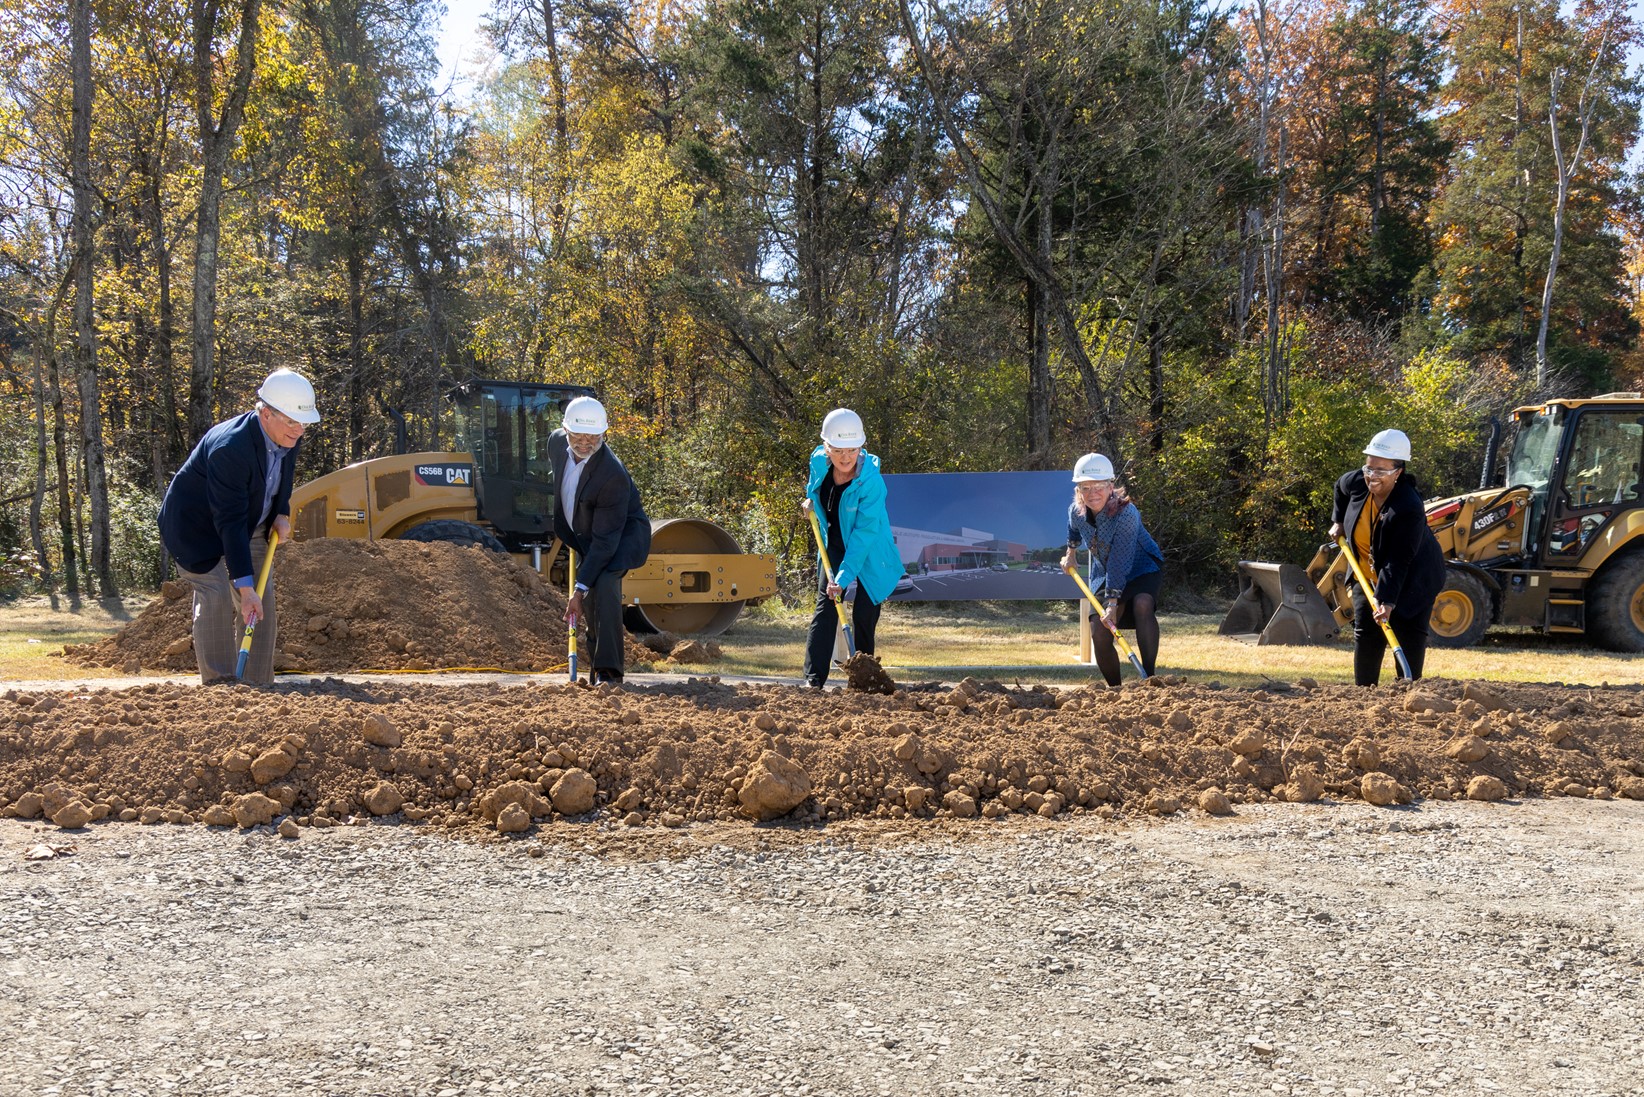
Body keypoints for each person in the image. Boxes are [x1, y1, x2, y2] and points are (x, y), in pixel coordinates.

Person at [158, 368, 320, 685]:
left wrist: (281, 512)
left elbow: (281, 479)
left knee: (263, 599)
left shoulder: (289, 433)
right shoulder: (230, 449)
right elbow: (228, 524)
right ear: (266, 412)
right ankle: (221, 687)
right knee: (217, 592)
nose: (299, 430)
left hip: (249, 521)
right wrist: (244, 589)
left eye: (304, 423)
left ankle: (257, 685)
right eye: (291, 421)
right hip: (196, 529)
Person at [1329, 428, 1446, 686]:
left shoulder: (1407, 507)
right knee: (1367, 633)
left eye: (1380, 471)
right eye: (1369, 468)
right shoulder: (1358, 482)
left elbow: (1398, 560)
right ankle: (1364, 693)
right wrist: (1338, 521)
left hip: (1412, 580)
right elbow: (1340, 487)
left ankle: (1408, 693)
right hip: (1367, 574)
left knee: (1408, 635)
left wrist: (1388, 601)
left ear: (1398, 472)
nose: (1372, 476)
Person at [549, 396, 651, 685]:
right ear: (565, 431)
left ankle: (609, 673)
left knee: (602, 584)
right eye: (577, 436)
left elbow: (605, 544)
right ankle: (596, 667)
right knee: (589, 590)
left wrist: (578, 593)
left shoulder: (612, 475)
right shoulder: (555, 444)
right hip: (586, 533)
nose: (584, 443)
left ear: (604, 434)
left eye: (592, 437)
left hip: (621, 538)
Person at [802, 408, 903, 688]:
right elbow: (817, 490)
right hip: (833, 542)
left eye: (852, 450)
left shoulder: (871, 483)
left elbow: (862, 536)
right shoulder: (818, 462)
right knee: (827, 606)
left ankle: (864, 679)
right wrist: (811, 504)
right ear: (826, 447)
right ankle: (813, 679)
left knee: (864, 614)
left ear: (860, 446)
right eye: (838, 450)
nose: (845, 457)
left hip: (869, 549)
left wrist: (844, 578)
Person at [1060, 452, 1164, 686]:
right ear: (1078, 490)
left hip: (1141, 566)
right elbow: (1073, 530)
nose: (1092, 493)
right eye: (1085, 488)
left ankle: (1150, 680)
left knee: (1142, 604)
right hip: (1105, 571)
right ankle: (1115, 690)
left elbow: (1121, 560)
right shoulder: (1075, 511)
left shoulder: (1126, 514)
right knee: (1099, 629)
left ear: (1110, 486)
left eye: (1098, 486)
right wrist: (1071, 554)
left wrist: (1113, 604)